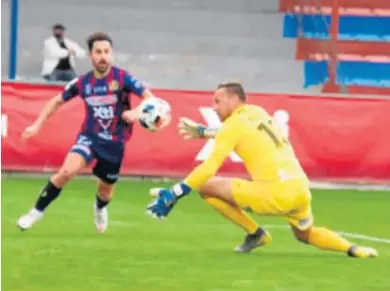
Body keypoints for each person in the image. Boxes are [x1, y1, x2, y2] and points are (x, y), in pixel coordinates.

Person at [146, 81, 377, 258]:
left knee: (205, 187)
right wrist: (206, 132)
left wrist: (176, 192)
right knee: (305, 234)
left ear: (234, 99)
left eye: (218, 101)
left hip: (274, 193)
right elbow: (244, 133)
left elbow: (209, 167)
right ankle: (354, 249)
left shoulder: (232, 125)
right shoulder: (257, 111)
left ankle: (256, 233)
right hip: (300, 189)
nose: (214, 107)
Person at [18, 32, 155, 233]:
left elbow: (149, 97)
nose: (103, 56)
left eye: (107, 51)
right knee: (66, 171)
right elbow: (56, 100)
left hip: (114, 144)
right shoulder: (83, 83)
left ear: (112, 54)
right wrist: (37, 124)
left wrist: (135, 112)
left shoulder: (122, 78)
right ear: (90, 56)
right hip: (89, 137)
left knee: (105, 190)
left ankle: (100, 208)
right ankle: (36, 212)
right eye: (98, 52)